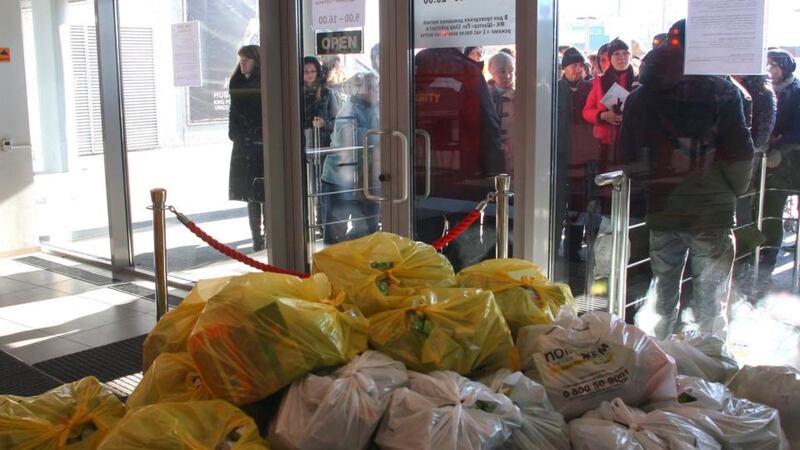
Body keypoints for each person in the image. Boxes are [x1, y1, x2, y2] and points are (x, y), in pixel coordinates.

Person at [622, 24, 754, 339]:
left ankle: (658, 355)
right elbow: (739, 151)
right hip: (711, 209)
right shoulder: (722, 91)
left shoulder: (641, 95)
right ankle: (709, 360)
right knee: (710, 293)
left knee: (662, 288)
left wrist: (653, 183)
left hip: (663, 206)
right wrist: (734, 190)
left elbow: (628, 156)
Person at [320, 72, 381, 244]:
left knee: (368, 231)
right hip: (339, 179)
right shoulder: (348, 109)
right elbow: (350, 141)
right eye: (370, 87)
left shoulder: (377, 108)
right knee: (335, 233)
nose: (375, 91)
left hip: (367, 179)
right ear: (357, 90)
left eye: (377, 86)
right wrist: (381, 136)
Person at [759, 49, 800, 286]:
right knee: (765, 211)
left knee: (773, 210)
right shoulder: (765, 89)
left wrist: (780, 145)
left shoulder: (795, 92)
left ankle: (768, 262)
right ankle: (763, 253)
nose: (770, 70)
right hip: (767, 159)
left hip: (788, 164)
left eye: (774, 65)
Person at [554, 47, 595, 288]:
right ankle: (552, 244)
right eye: (573, 65)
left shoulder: (590, 89)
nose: (577, 69)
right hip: (559, 158)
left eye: (580, 65)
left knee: (579, 206)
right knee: (559, 204)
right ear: (564, 68)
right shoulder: (555, 89)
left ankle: (573, 249)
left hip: (583, 158)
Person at [228, 45, 266, 252]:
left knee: (265, 193)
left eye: (247, 59)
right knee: (251, 195)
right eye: (241, 59)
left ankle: (268, 235)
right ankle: (256, 238)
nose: (243, 63)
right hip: (244, 144)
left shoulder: (263, 82)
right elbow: (233, 112)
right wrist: (234, 134)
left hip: (260, 144)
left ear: (256, 61)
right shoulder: (237, 82)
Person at [487, 52, 515, 174]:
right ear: (492, 73)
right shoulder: (484, 95)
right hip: (490, 149)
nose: (508, 76)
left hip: (515, 151)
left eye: (511, 71)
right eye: (502, 71)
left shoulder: (521, 95)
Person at [303, 56, 340, 149]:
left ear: (317, 72)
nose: (309, 74)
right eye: (306, 72)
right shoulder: (295, 94)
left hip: (323, 145)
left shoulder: (327, 93)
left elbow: (337, 122)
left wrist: (324, 123)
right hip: (300, 143)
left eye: (312, 71)